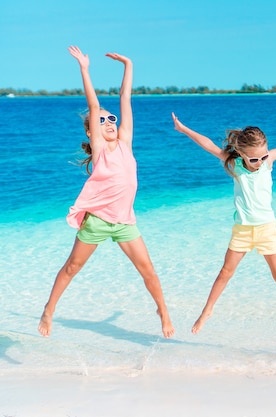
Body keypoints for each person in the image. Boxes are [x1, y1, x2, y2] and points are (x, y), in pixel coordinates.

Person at [38, 46, 175, 339]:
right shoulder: (100, 149)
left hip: (125, 221)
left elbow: (125, 98)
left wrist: (128, 64)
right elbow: (94, 104)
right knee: (72, 267)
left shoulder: (125, 142)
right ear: (91, 133)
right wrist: (85, 69)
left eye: (111, 120)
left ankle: (162, 309)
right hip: (97, 220)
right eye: (102, 121)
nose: (109, 122)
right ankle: (49, 309)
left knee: (148, 271)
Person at [171, 100, 276, 342]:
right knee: (225, 272)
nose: (260, 162)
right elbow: (208, 144)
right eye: (254, 159)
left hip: (267, 230)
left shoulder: (267, 162)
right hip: (243, 231)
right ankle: (207, 311)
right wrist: (184, 129)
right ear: (243, 155)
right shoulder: (234, 164)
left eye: (263, 156)